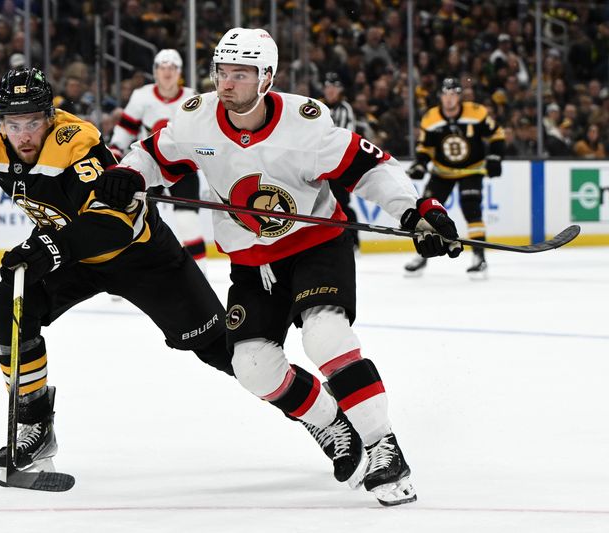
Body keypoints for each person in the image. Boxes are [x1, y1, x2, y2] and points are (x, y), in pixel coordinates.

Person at [0, 67, 358, 486]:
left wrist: (49, 247)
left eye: (34, 121)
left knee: (227, 354)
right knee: (9, 304)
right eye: (14, 123)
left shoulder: (77, 144)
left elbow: (112, 224)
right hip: (69, 255)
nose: (24, 134)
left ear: (50, 115)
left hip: (138, 256)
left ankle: (322, 415)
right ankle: (36, 421)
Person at [95, 28, 462, 506]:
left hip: (315, 246)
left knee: (325, 337)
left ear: (266, 77)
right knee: (251, 367)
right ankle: (332, 423)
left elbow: (370, 166)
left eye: (240, 74)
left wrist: (416, 211)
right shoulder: (198, 119)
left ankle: (384, 448)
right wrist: (128, 173)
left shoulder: (305, 123)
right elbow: (152, 153)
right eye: (221, 73)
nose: (226, 84)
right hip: (252, 262)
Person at [109, 49, 207, 272]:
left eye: (172, 68)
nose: (167, 72)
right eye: (162, 67)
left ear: (179, 72)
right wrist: (115, 155)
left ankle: (200, 275)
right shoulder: (141, 96)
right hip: (148, 164)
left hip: (182, 167)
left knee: (187, 221)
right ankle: (124, 274)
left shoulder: (191, 98)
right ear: (155, 71)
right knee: (135, 221)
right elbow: (126, 129)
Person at [406, 77, 505, 279]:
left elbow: (497, 134)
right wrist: (420, 164)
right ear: (441, 96)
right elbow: (425, 148)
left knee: (471, 208)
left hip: (472, 170)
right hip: (442, 171)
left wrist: (495, 157)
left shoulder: (477, 113)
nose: (449, 99)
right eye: (446, 94)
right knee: (425, 211)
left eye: (453, 94)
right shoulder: (431, 118)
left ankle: (479, 257)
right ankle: (422, 255)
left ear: (459, 96)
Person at [321, 71, 359, 250]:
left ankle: (353, 241)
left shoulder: (345, 109)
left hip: (339, 164)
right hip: (319, 164)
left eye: (334, 87)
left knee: (342, 204)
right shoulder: (317, 106)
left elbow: (343, 137)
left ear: (340, 90)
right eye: (328, 87)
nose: (330, 91)